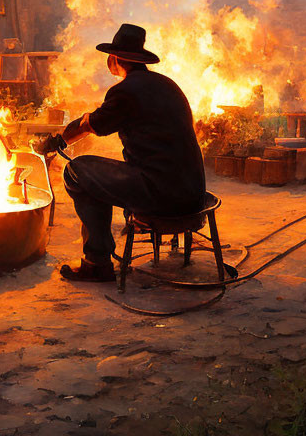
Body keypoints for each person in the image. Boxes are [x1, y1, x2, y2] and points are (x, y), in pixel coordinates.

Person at [35, 23, 206, 282]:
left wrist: (57, 141)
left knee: (77, 171)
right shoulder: (167, 84)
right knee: (96, 174)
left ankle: (96, 262)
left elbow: (88, 125)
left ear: (114, 59)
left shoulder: (125, 91)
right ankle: (98, 256)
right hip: (192, 192)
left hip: (163, 193)